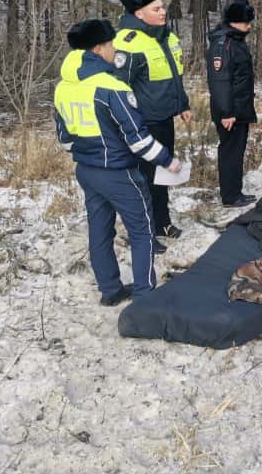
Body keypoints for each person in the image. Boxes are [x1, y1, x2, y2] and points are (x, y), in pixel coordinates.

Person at [55, 19, 182, 306]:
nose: (115, 50)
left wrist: (92, 149)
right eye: (111, 44)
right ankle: (145, 297)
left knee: (99, 231)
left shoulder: (63, 87)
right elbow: (138, 140)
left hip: (86, 171)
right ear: (99, 48)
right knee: (142, 230)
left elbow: (65, 140)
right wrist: (167, 160)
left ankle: (110, 291)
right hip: (118, 172)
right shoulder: (111, 87)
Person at [112, 0, 191, 249]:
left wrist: (182, 105)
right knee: (143, 180)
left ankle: (162, 222)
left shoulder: (165, 36)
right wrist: (128, 123)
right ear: (138, 14)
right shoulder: (129, 42)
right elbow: (118, 88)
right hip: (141, 125)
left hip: (164, 119)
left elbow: (173, 75)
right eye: (156, 8)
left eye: (162, 7)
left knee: (163, 175)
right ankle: (143, 233)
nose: (162, 12)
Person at [207, 0, 257, 207]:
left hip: (239, 108)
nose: (249, 26)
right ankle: (230, 196)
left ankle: (235, 192)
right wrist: (227, 112)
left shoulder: (235, 41)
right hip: (230, 112)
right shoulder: (223, 44)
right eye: (246, 22)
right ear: (234, 22)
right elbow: (220, 82)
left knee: (236, 152)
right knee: (230, 153)